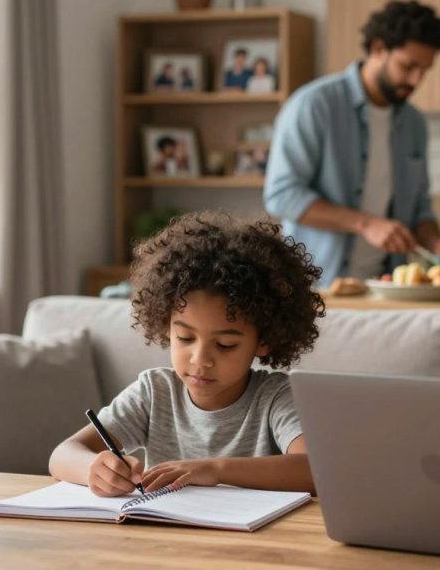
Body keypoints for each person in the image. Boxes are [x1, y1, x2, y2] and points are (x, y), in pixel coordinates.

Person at [48, 212, 325, 496]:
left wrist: (215, 470)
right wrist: (94, 468)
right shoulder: (155, 393)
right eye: (185, 338)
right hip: (167, 537)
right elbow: (62, 455)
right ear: (165, 326)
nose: (200, 359)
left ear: (264, 341)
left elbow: (314, 470)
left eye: (225, 345)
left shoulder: (275, 397)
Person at [264, 0, 440, 287]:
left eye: (424, 70)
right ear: (378, 48)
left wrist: (437, 243)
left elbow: (419, 207)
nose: (416, 80)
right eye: (408, 66)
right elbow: (282, 195)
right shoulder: (313, 105)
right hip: (316, 289)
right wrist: (366, 224)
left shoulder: (414, 124)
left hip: (384, 287)